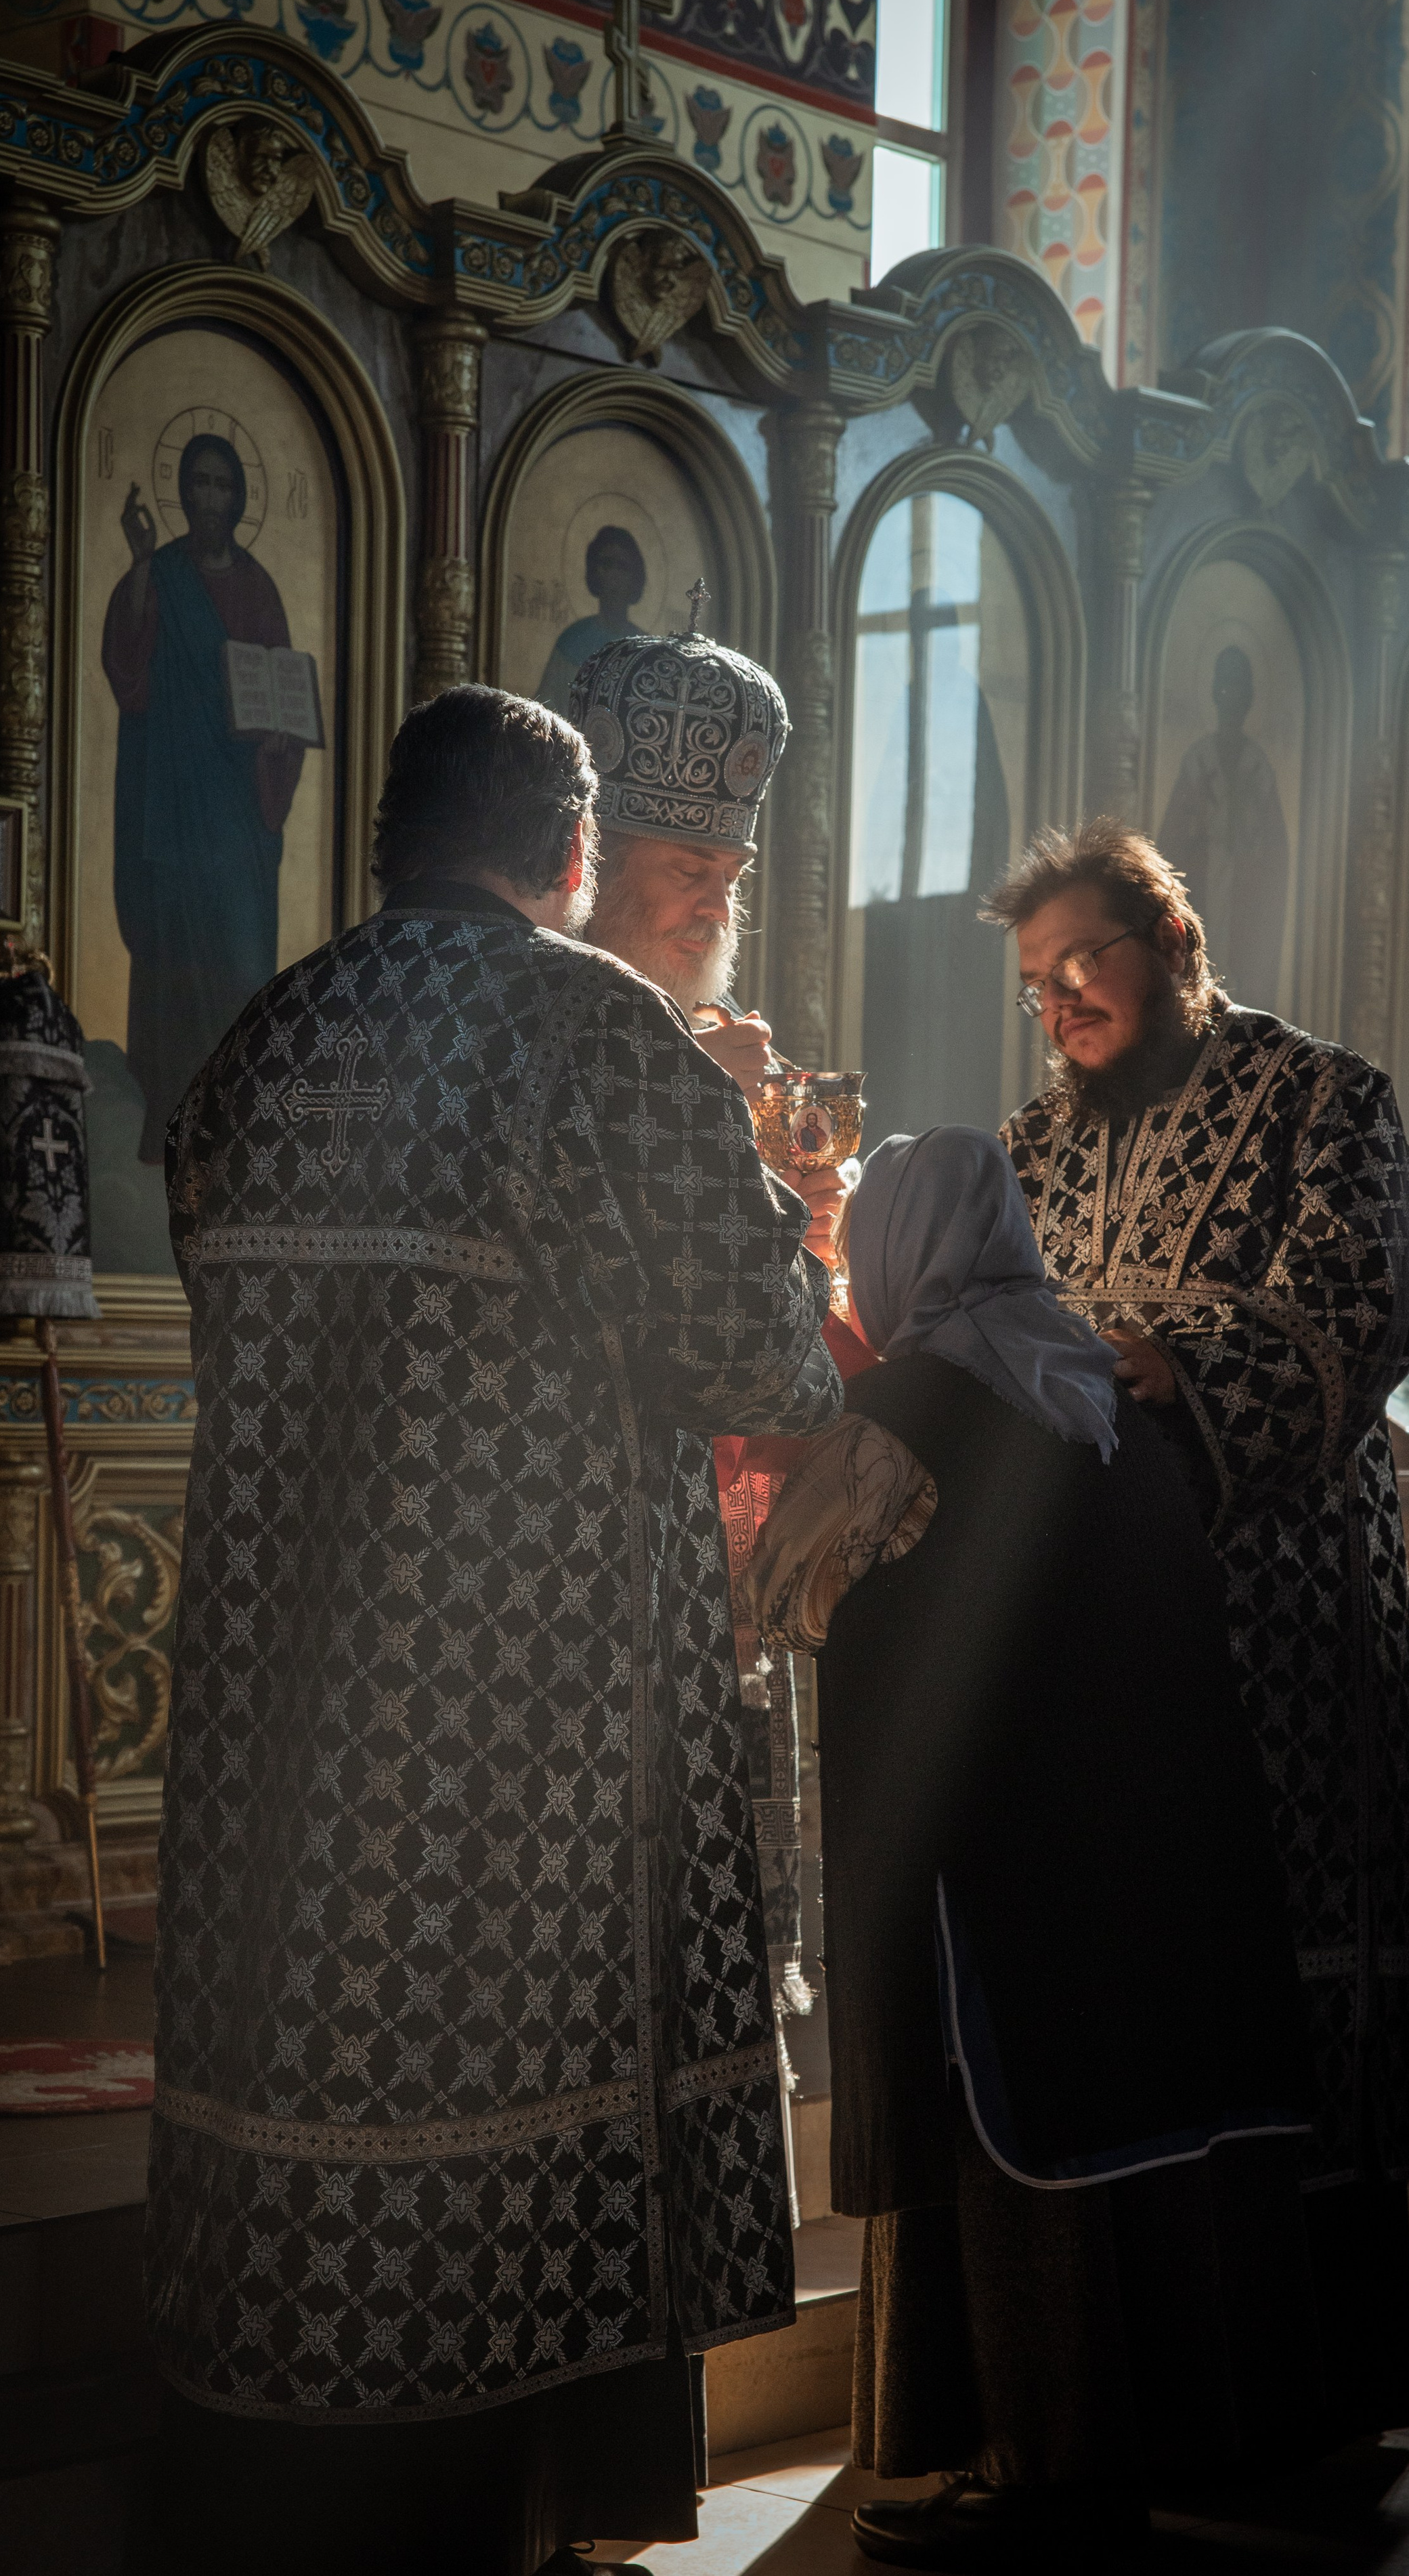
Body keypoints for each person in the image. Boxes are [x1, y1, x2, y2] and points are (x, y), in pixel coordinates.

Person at [135, 685, 842, 2576]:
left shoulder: (265, 1037)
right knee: (504, 2120)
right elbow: (758, 1354)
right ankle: (524, 2519)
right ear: (575, 852)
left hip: (280, 1700)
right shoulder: (586, 1026)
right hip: (519, 1719)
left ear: (382, 840)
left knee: (302, 2074)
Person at [742, 1125, 1317, 2563]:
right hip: (1147, 1843)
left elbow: (778, 1595)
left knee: (1021, 2154)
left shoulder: (909, 1409)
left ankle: (1047, 2472)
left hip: (998, 1849)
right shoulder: (1102, 1390)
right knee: (1121, 2137)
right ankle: (1136, 2438)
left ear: (897, 1251)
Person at [991, 818, 1409, 2449]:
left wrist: (1167, 1362)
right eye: (1039, 980)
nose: (1060, 999)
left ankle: (1288, 2396)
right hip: (1095, 1648)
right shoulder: (1026, 1149)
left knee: (1274, 1983)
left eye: (1085, 961)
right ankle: (1142, 2390)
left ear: (1169, 940)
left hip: (1278, 1624)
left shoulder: (1319, 1095)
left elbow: (1361, 1293)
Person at [576, 621, 850, 2076]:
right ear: (597, 872)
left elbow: (785, 1316)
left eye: (726, 880)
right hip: (579, 1538)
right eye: (685, 875)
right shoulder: (560, 1031)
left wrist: (807, 1209)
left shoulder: (726, 1037)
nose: (708, 902)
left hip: (722, 1531)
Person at [102, 431, 307, 1162]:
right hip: (172, 802)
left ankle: (234, 1126)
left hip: (235, 816)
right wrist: (135, 565)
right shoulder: (160, 573)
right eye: (200, 484)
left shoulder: (257, 587)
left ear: (239, 497)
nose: (211, 498)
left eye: (224, 485)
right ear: (184, 494)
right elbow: (127, 670)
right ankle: (167, 1112)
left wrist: (281, 742)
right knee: (170, 952)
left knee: (236, 956)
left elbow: (282, 699)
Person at [1156, 643, 1289, 1015]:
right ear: (1215, 693)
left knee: (1244, 977)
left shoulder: (1257, 764)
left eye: (1239, 688)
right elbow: (1170, 843)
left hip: (1247, 887)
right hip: (1203, 879)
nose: (1232, 696)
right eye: (1225, 687)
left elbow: (1277, 849)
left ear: (1250, 697)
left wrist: (1254, 861)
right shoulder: (1198, 760)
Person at [535, 524, 647, 718]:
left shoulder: (646, 647)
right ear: (594, 572)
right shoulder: (572, 641)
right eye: (606, 564)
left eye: (623, 567)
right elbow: (547, 707)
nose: (614, 576)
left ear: (635, 578)